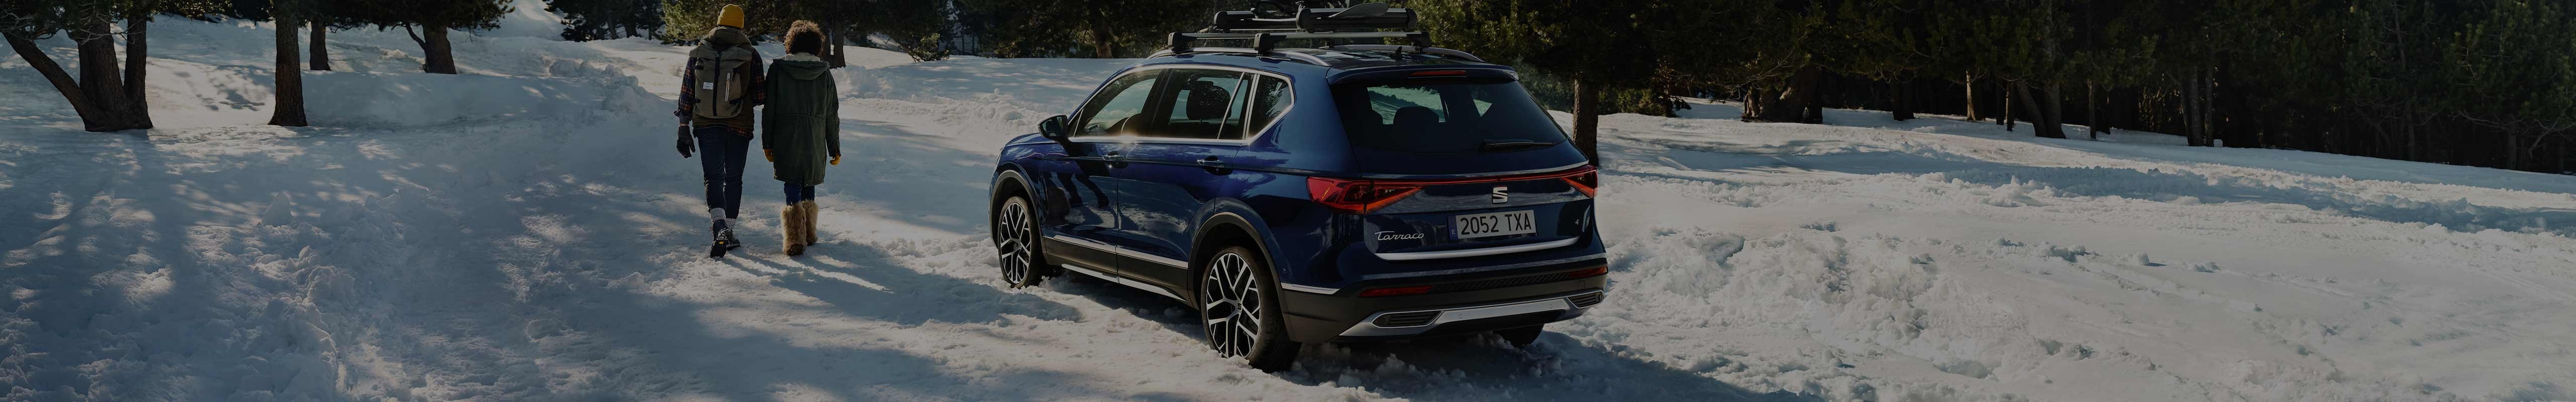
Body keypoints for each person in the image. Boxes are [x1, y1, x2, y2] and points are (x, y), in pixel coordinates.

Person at [675, 4, 765, 258]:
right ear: (741, 25)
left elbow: (687, 93)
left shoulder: (699, 52)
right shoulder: (751, 54)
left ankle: (719, 227)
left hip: (705, 124)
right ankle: (731, 230)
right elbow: (760, 96)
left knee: (712, 177)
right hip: (739, 124)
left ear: (718, 23)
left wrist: (684, 128)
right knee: (733, 178)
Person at [762, 21, 840, 256]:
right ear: (817, 46)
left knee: (793, 180)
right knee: (809, 179)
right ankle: (808, 231)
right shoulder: (824, 73)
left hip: (786, 135)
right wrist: (834, 147)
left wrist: (767, 143)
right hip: (815, 135)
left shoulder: (778, 70)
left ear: (791, 44)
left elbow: (770, 109)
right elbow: (831, 114)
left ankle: (795, 237)